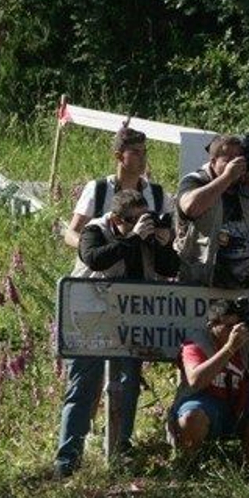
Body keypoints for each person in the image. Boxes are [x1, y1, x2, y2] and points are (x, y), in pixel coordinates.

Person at [52, 190, 181, 478]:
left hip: (131, 324)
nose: (140, 223)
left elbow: (170, 268)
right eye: (132, 219)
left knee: (128, 385)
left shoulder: (147, 237)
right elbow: (94, 258)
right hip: (90, 322)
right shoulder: (95, 230)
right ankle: (68, 459)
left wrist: (163, 243)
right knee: (82, 388)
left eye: (143, 217)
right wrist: (133, 237)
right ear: (115, 218)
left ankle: (121, 450)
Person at [169, 300, 249, 463]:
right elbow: (195, 381)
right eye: (228, 326)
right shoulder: (196, 342)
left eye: (238, 325)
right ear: (212, 326)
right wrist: (229, 348)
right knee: (191, 417)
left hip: (240, 403)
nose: (235, 331)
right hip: (206, 402)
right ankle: (187, 465)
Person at [174, 134, 249, 287]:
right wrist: (226, 177)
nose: (236, 164)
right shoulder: (196, 180)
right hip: (202, 284)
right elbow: (190, 208)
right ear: (213, 161)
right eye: (229, 160)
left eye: (239, 158)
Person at [63, 126, 165, 250]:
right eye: (135, 153)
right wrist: (92, 250)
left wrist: (167, 236)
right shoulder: (99, 189)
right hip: (102, 267)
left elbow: (174, 233)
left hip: (143, 267)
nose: (142, 158)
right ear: (118, 156)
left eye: (144, 152)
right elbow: (70, 234)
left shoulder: (156, 192)